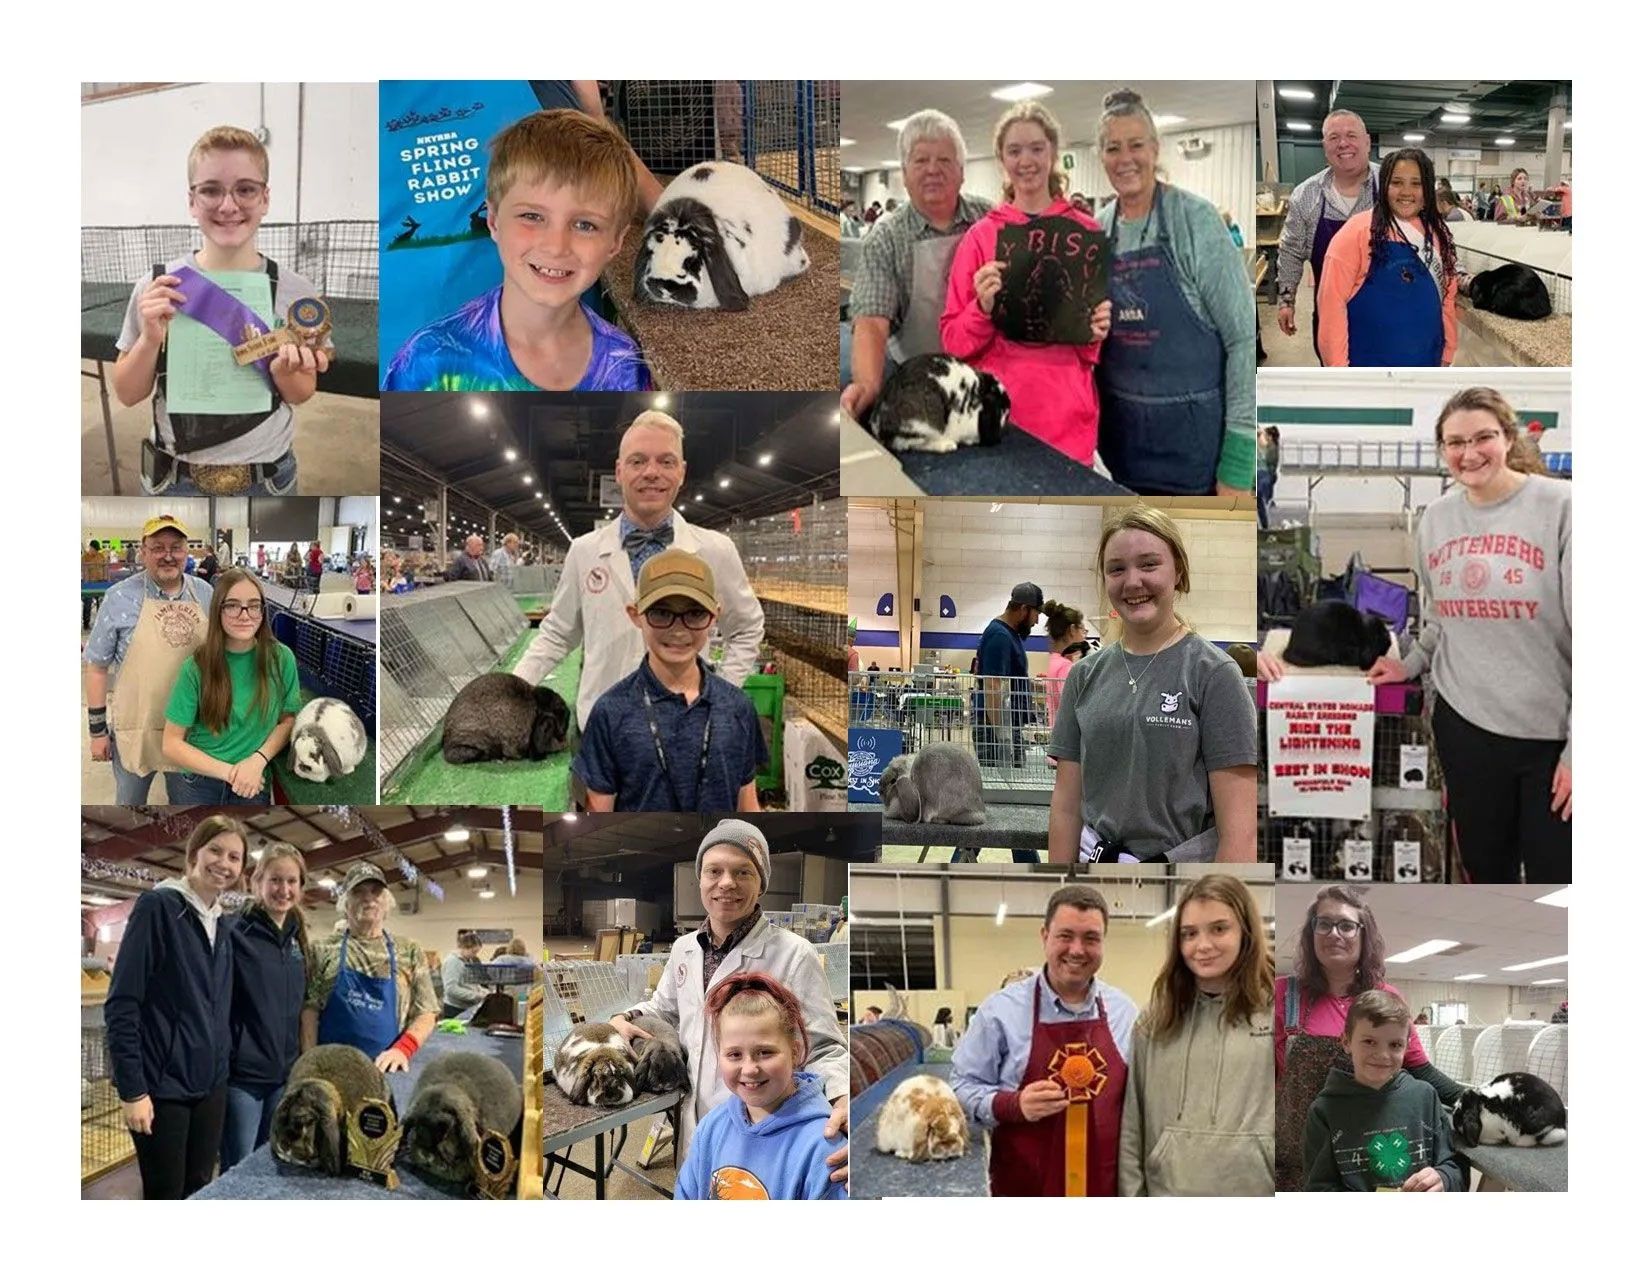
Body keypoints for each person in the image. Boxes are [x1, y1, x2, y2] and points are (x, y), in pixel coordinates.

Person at [609, 821, 849, 1182]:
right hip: (695, 1123)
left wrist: (843, 1099)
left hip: (765, 1125)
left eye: (742, 872)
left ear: (761, 882)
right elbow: (665, 1010)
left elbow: (825, 1047)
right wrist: (625, 1017)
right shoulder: (684, 949)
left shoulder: (794, 954)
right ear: (700, 879)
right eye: (714, 871)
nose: (726, 883)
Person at [514, 411, 763, 737]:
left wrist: (721, 692)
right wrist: (512, 689)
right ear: (619, 471)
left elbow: (746, 628)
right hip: (603, 729)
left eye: (666, 462)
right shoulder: (585, 551)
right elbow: (558, 633)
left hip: (684, 729)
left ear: (682, 473)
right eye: (637, 461)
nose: (651, 472)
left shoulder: (716, 551)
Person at [111, 126, 328, 497]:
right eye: (211, 190)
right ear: (192, 201)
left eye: (245, 189)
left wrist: (284, 372)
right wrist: (149, 340)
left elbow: (300, 392)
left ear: (265, 198)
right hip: (174, 478)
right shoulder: (159, 285)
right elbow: (128, 394)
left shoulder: (297, 293)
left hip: (267, 478)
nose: (228, 206)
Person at [383, 110, 648, 392]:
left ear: (616, 242)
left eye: (585, 225)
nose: (556, 246)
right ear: (494, 221)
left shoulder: (626, 365)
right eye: (532, 217)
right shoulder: (429, 360)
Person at [1048, 507, 1257, 864]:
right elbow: (1066, 809)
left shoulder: (1214, 674)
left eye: (1148, 564)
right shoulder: (1084, 676)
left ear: (1178, 571)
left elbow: (1240, 831)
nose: (1132, 582)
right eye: (1117, 568)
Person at [1094, 89, 1255, 495]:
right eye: (1113, 148)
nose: (1125, 158)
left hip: (1195, 456)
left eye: (1135, 145)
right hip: (1117, 455)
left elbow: (1242, 340)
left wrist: (1239, 464)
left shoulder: (1196, 221)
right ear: (1101, 157)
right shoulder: (1096, 231)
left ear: (1155, 148)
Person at [940, 102, 1111, 464]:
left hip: (1068, 422)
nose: (1026, 160)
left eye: (1036, 148)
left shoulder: (1087, 232)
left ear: (1052, 152)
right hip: (997, 420)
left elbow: (1089, 351)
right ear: (1002, 159)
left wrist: (1095, 332)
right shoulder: (980, 237)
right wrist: (981, 309)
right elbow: (954, 342)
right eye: (1014, 150)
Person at [1273, 886, 1465, 1191]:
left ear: (1364, 936)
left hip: (1364, 1163)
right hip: (1294, 1166)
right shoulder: (1282, 995)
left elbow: (1420, 1070)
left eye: (1347, 925)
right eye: (1324, 923)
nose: (1334, 933)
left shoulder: (1387, 1000)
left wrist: (1478, 1100)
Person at [950, 884, 1137, 1196]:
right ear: (1044, 936)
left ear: (1103, 942)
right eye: (1065, 936)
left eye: (1091, 938)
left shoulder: (1125, 1013)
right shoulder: (1000, 1012)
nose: (1077, 950)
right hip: (1022, 1188)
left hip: (1105, 1189)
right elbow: (959, 1088)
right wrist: (1012, 1104)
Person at [105, 816, 247, 1198]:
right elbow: (122, 1002)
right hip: (163, 1088)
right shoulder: (159, 908)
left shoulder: (222, 923)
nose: (224, 863)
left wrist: (223, 1065)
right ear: (194, 853)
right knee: (165, 1192)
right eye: (215, 850)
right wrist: (133, 1090)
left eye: (234, 857)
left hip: (210, 1086)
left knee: (200, 1187)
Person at [575, 548, 766, 812]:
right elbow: (597, 813)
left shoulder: (738, 707)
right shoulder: (610, 712)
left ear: (714, 616)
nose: (678, 629)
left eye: (695, 613)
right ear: (635, 614)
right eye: (661, 613)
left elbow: (748, 803)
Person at [1119, 874, 1274, 1196]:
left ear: (1245, 932)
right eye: (1189, 934)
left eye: (1219, 929)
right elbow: (1132, 1127)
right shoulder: (1154, 1020)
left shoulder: (1277, 1016)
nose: (1202, 946)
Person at [841, 110, 995, 421]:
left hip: (985, 373)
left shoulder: (989, 219)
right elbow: (871, 319)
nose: (933, 170)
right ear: (905, 172)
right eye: (921, 161)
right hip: (916, 377)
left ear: (962, 171)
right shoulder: (886, 237)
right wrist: (867, 385)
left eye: (945, 160)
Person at [674, 973, 848, 1200]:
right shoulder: (711, 1128)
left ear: (795, 1052)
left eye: (765, 1052)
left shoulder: (824, 1149)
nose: (749, 1069)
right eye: (734, 1054)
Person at [84, 515, 216, 802]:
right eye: (158, 547)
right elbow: (96, 668)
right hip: (135, 731)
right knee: (130, 811)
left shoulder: (205, 593)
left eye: (176, 547)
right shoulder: (118, 597)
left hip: (191, 734)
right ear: (143, 552)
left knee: (190, 813)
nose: (168, 556)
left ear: (186, 552)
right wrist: (96, 732)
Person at [1303, 990, 1468, 1191]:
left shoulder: (1425, 1097)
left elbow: (1455, 1167)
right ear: (1346, 1042)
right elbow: (1318, 1189)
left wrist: (1444, 1178)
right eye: (1369, 1042)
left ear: (1407, 1047)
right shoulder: (1324, 1111)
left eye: (1395, 1045)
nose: (1382, 1055)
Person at [162, 567, 300, 804]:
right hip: (199, 782)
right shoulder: (196, 667)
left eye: (254, 605)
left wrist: (258, 759)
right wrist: (232, 774)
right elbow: (171, 743)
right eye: (233, 605)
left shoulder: (281, 658)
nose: (244, 615)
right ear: (218, 610)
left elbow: (289, 720)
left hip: (254, 780)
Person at [1316, 147, 1459, 368]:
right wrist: (1339, 372)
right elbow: (1331, 306)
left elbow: (1448, 297)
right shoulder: (1357, 232)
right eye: (1397, 182)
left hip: (1427, 361)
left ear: (1428, 189)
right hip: (1368, 368)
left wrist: (1448, 351)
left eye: (1416, 183)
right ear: (1383, 186)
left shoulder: (1438, 233)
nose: (1406, 192)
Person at [220, 841, 309, 1170]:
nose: (283, 889)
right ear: (256, 882)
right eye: (275, 880)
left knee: (270, 1163)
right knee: (239, 1167)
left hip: (283, 1076)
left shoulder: (298, 939)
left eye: (291, 881)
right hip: (243, 1080)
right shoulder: (234, 931)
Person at [303, 862, 440, 1071]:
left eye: (376, 892)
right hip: (329, 1068)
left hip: (385, 1071)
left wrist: (402, 1050)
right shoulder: (321, 950)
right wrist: (309, 1062)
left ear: (387, 902)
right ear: (345, 904)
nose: (368, 898)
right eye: (358, 892)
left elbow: (427, 1012)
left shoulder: (409, 951)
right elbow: (309, 1011)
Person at [1275, 109, 1379, 363]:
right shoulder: (1306, 195)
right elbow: (1290, 251)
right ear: (1324, 146)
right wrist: (1286, 300)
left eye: (1351, 135)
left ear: (1367, 141)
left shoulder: (1392, 184)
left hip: (1388, 314)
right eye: (1334, 137)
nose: (1343, 143)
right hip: (1329, 315)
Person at [1040, 599, 1089, 726]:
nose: (1084, 636)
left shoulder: (1054, 660)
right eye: (1083, 630)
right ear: (1072, 630)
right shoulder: (1065, 666)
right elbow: (1072, 705)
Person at [440, 931, 488, 1019]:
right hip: (455, 1009)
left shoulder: (467, 960)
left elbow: (470, 983)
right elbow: (451, 989)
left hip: (465, 1007)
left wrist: (483, 991)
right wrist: (476, 996)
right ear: (465, 947)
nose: (475, 955)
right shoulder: (453, 962)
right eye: (473, 952)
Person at [1257, 426, 1280, 529]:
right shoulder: (1271, 447)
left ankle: (1265, 526)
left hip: (1266, 476)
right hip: (1267, 476)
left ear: (1269, 437)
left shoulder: (1269, 448)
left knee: (1262, 500)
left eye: (1265, 435)